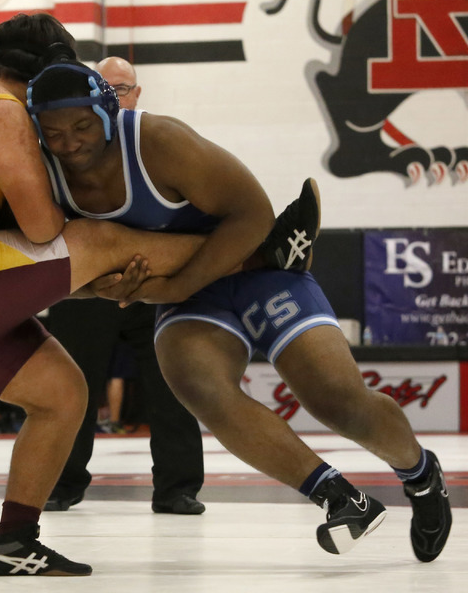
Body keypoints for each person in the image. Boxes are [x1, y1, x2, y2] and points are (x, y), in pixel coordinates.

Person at [0, 13, 314, 577]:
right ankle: (260, 254)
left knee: (61, 394)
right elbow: (42, 231)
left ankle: (13, 543)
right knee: (95, 239)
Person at [26, 52, 452, 562]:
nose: (70, 143)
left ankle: (421, 475)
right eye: (53, 133)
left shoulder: (158, 142)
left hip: (252, 268)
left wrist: (175, 284)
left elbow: (255, 215)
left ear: (107, 113)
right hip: (186, 289)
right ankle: (340, 497)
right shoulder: (42, 177)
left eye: (80, 127)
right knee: (200, 386)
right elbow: (48, 271)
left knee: (336, 400)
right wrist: (105, 290)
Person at [44, 56, 205, 515]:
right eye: (107, 89)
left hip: (155, 280)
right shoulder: (72, 147)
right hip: (87, 283)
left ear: (139, 93)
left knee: (172, 382)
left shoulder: (161, 142)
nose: (116, 96)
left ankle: (178, 487)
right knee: (69, 385)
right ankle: (60, 482)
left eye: (123, 88)